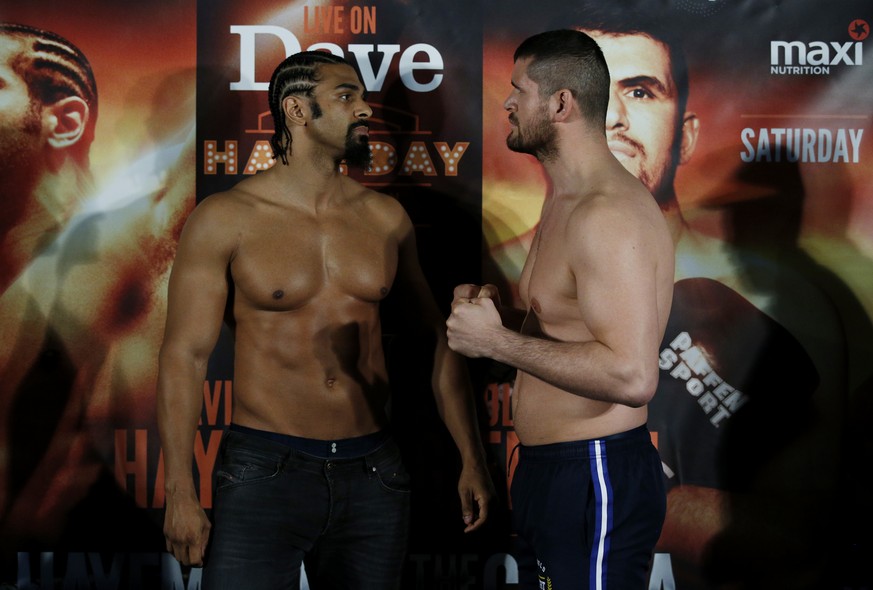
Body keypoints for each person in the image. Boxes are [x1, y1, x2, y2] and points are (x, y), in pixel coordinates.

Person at [157, 50, 493, 589]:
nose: (365, 110)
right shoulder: (225, 219)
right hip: (265, 469)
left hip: (373, 469)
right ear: (296, 110)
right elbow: (185, 355)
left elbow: (439, 338)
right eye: (346, 96)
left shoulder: (385, 218)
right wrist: (179, 490)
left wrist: (472, 459)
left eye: (362, 97)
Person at [447, 30, 674, 589]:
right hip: (554, 471)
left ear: (561, 104)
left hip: (594, 473)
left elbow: (632, 375)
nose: (506, 103)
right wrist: (501, 322)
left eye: (518, 90)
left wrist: (494, 343)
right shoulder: (565, 199)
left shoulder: (607, 214)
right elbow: (569, 331)